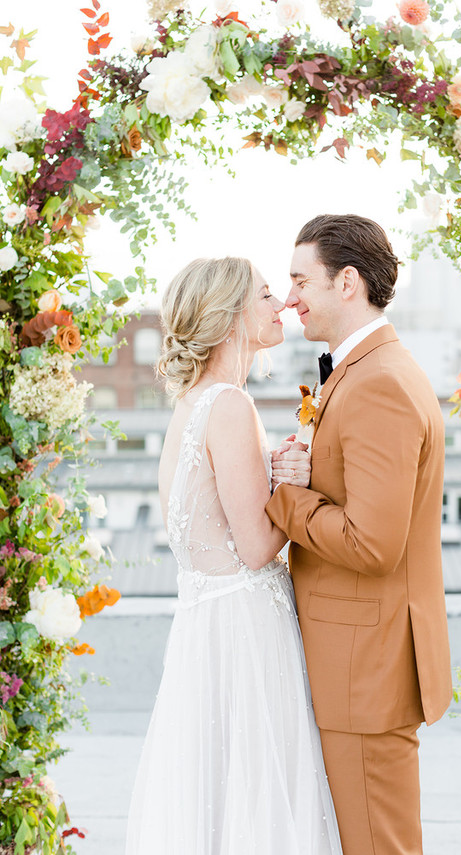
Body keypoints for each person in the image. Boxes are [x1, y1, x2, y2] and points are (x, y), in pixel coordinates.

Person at [125, 257, 343, 855]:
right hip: (246, 631)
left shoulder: (192, 406)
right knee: (260, 799)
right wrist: (296, 485)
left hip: (205, 629)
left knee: (217, 800)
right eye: (267, 295)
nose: (280, 306)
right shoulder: (229, 406)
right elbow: (255, 547)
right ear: (229, 317)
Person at [268, 214, 452, 855]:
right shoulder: (364, 371)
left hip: (363, 670)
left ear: (347, 282)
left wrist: (287, 499)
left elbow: (373, 545)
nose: (289, 297)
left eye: (300, 280)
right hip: (354, 662)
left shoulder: (378, 384)